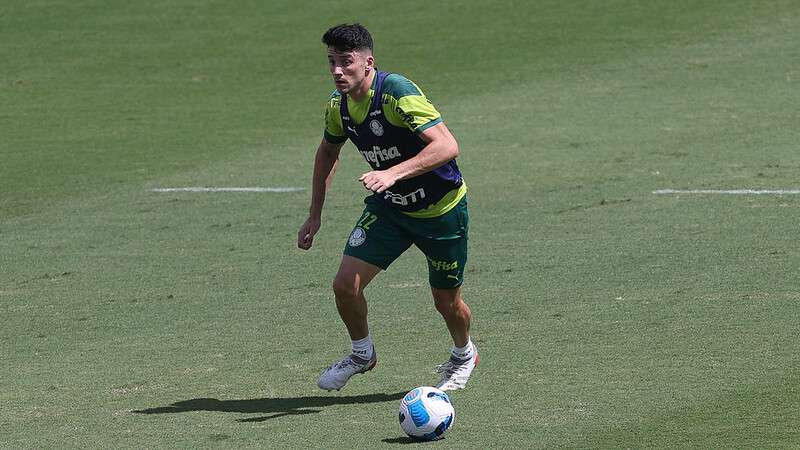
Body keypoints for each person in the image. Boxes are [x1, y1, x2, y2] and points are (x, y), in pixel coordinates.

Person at [297, 23, 477, 392]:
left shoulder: (396, 93)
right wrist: (315, 214)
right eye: (331, 62)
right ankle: (362, 353)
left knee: (446, 300)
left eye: (345, 62)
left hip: (441, 212)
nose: (336, 71)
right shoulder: (339, 107)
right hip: (391, 210)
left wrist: (393, 173)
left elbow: (446, 146)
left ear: (368, 63)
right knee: (345, 286)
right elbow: (328, 152)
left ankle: (464, 354)